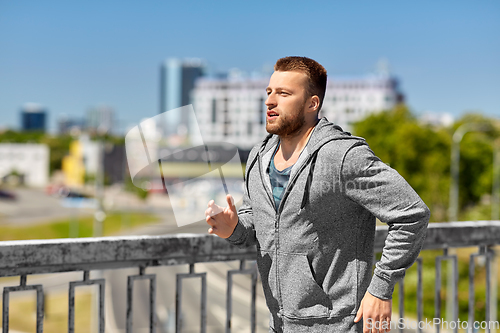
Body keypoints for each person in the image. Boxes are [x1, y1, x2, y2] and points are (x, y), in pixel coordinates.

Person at [205, 56, 430, 333]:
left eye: (284, 93)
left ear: (312, 103)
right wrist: (234, 228)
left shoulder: (343, 157)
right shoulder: (258, 157)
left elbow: (412, 215)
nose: (270, 101)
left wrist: (380, 288)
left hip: (336, 325)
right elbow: (261, 226)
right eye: (269, 92)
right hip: (280, 323)